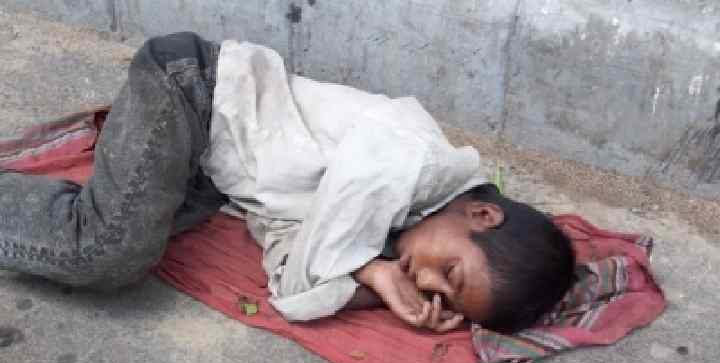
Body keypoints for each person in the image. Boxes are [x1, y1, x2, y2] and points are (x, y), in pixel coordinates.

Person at [0, 33, 575, 334]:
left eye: (439, 298)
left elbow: (288, 281)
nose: (423, 282)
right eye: (449, 272)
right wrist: (373, 274)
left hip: (215, 168)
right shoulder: (408, 164)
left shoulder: (401, 225)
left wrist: (368, 278)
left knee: (132, 226)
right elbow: (306, 279)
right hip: (189, 90)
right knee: (107, 252)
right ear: (482, 215)